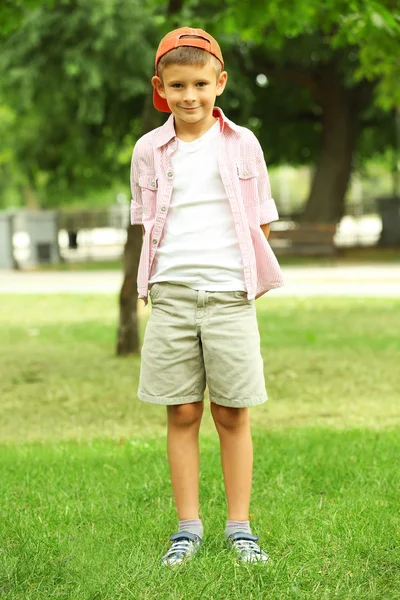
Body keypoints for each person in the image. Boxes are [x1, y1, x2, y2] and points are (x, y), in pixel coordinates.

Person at [130, 26, 284, 567]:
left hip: (229, 297)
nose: (189, 95)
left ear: (220, 82)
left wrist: (243, 279)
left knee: (233, 414)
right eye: (177, 86)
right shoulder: (148, 150)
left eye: (200, 83)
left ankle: (240, 528)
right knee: (182, 412)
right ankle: (187, 529)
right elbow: (147, 223)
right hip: (171, 296)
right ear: (160, 87)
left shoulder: (243, 144)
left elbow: (261, 219)